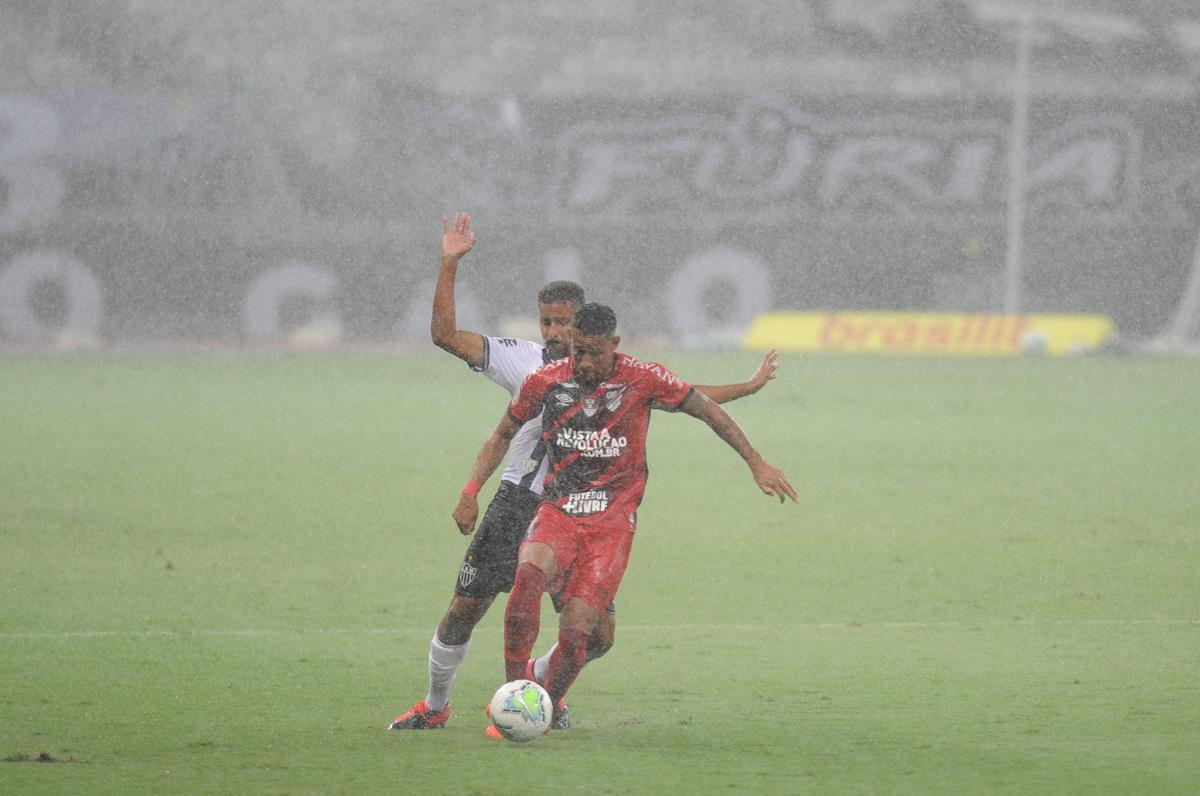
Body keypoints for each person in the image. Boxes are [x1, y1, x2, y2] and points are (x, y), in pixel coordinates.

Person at [389, 213, 781, 733]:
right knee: (466, 608)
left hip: (587, 506)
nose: (553, 334)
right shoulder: (525, 363)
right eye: (545, 322)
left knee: (597, 636)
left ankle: (537, 691)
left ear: (587, 329)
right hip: (523, 500)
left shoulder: (615, 369)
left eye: (563, 325)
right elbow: (443, 336)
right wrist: (448, 264)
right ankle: (436, 705)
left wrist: (745, 389)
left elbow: (677, 393)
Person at [459, 302, 798, 731]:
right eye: (577, 351)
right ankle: (512, 696)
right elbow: (502, 434)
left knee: (580, 629)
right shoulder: (546, 381)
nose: (582, 361)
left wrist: (756, 461)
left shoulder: (643, 378)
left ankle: (549, 705)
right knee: (528, 573)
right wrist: (471, 490)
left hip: (612, 527)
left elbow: (707, 410)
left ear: (614, 345)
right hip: (558, 509)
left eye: (593, 352)